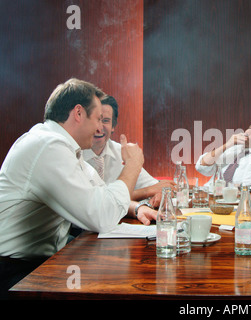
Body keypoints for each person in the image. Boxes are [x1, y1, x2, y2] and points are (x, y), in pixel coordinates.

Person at [0, 78, 144, 298]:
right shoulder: (48, 146)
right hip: (13, 272)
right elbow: (102, 216)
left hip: (42, 260)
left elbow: (102, 195)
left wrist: (134, 208)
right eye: (97, 118)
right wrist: (133, 165)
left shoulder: (64, 148)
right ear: (78, 113)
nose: (99, 128)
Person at [83, 95, 174, 222]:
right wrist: (146, 191)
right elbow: (100, 202)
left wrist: (159, 194)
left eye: (105, 121)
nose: (99, 127)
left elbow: (161, 187)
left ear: (113, 126)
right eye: (96, 120)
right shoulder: (74, 154)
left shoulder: (122, 151)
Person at [195, 121, 251, 188]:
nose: (247, 132)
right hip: (209, 193)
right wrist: (227, 145)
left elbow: (248, 188)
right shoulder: (235, 148)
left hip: (232, 201)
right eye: (250, 128)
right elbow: (202, 166)